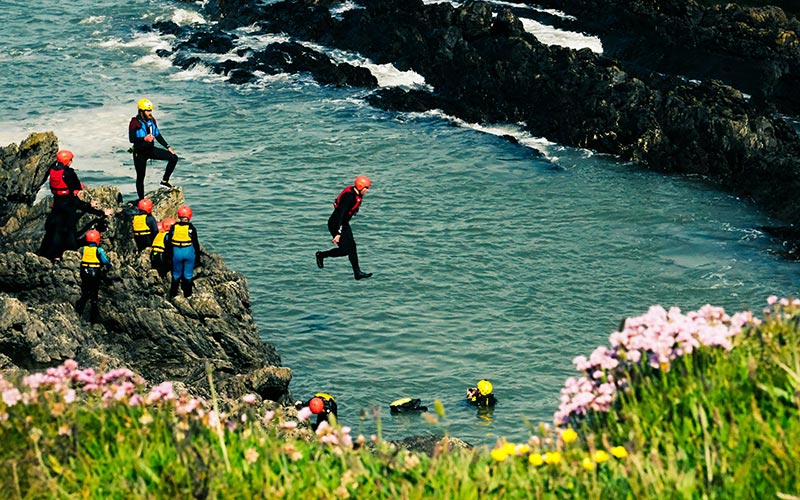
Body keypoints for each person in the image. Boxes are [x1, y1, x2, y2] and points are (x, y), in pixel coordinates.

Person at [38, 150, 113, 261]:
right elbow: (77, 191)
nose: (71, 162)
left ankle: (54, 255)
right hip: (68, 205)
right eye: (70, 160)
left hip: (57, 204)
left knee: (57, 231)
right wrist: (101, 212)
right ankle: (72, 256)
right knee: (70, 231)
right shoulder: (69, 173)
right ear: (67, 161)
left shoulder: (53, 169)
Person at [315, 175, 373, 280]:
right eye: (367, 188)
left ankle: (357, 273)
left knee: (352, 248)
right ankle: (321, 255)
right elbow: (341, 215)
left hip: (343, 223)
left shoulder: (355, 193)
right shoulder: (349, 198)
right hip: (336, 224)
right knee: (345, 250)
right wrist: (338, 233)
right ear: (360, 187)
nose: (367, 191)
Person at [128, 98, 179, 201]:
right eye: (148, 111)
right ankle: (141, 200)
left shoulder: (152, 121)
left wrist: (168, 147)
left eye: (150, 110)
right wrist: (144, 138)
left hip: (150, 150)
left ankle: (165, 181)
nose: (150, 113)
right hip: (139, 153)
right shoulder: (134, 122)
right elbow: (131, 139)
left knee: (174, 158)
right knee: (141, 177)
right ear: (142, 111)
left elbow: (158, 135)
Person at [74, 229, 111, 324]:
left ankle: (79, 310)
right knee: (94, 295)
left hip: (84, 273)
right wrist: (109, 265)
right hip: (94, 273)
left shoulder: (84, 249)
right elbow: (105, 261)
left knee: (85, 292)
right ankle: (93, 318)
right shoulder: (99, 250)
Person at [165, 205, 200, 298]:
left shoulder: (174, 227)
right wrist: (198, 257)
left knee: (176, 275)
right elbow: (196, 244)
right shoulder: (192, 228)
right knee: (188, 275)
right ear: (189, 216)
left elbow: (169, 243)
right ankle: (188, 296)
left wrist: (168, 255)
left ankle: (173, 296)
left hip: (177, 253)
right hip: (188, 253)